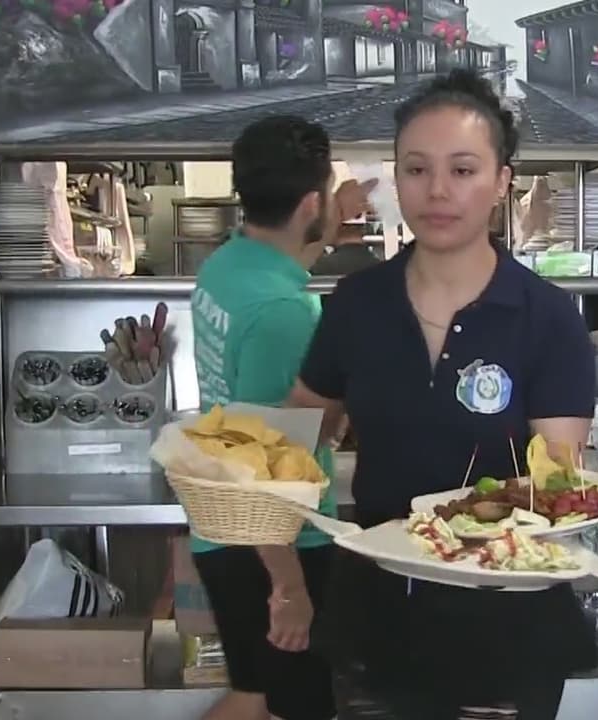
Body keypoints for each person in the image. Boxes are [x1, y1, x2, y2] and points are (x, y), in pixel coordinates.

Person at [289, 71, 598, 718]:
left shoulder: (546, 317)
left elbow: (555, 483)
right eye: (416, 169)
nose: (437, 191)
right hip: (376, 620)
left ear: (502, 181)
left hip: (506, 621)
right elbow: (293, 443)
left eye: (462, 170)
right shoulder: (356, 305)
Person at [188, 115, 371, 720]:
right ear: (311, 203)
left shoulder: (226, 265)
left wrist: (330, 220)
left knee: (255, 697)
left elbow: (291, 252)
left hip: (224, 531)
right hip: (278, 542)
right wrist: (289, 588)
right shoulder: (286, 313)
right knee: (297, 707)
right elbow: (264, 464)